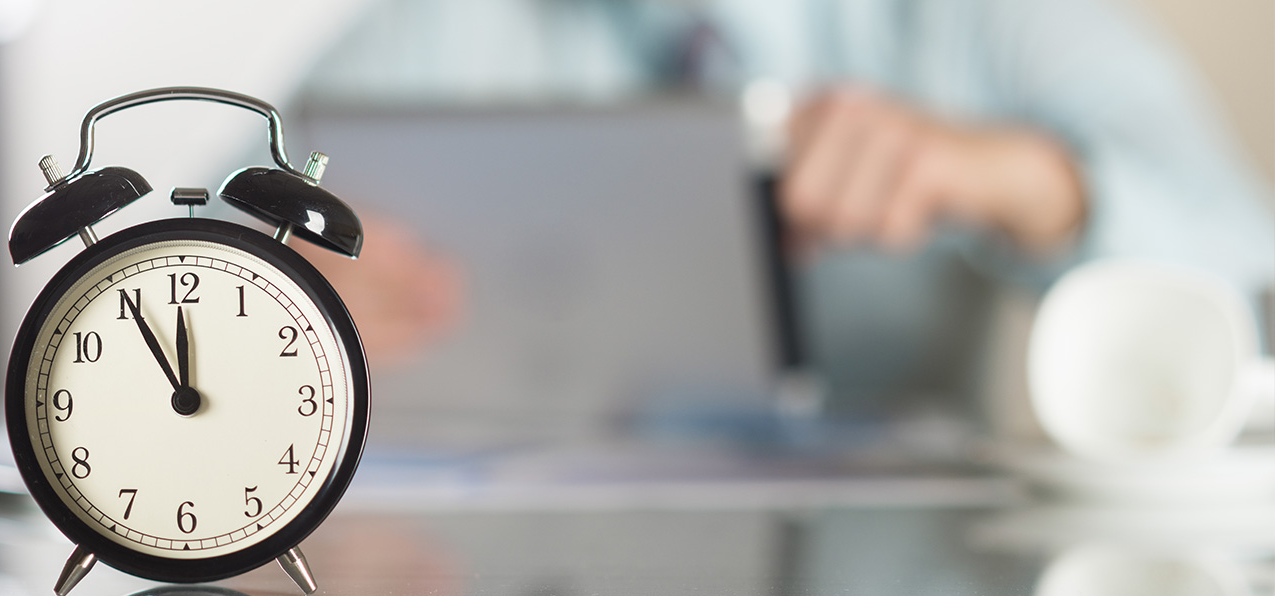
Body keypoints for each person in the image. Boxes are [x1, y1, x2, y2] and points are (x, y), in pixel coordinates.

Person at [303, 0, 1274, 414]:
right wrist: (274, 272)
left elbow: (1247, 270)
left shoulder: (987, 22)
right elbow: (199, 235)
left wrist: (1031, 182)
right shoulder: (439, 25)